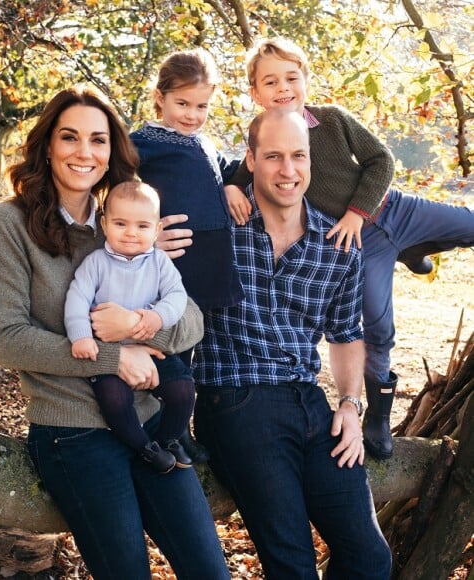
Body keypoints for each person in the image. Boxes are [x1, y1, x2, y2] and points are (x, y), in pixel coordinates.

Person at [0, 85, 230, 580]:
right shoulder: (7, 223)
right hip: (73, 429)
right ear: (47, 144)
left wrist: (140, 329)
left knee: (210, 571)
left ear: (112, 150)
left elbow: (193, 319)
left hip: (151, 421)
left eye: (98, 140)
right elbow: (7, 339)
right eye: (69, 137)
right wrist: (116, 359)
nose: (84, 152)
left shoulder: (127, 222)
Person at [224, 37, 474, 460]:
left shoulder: (333, 120)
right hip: (360, 244)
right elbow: (236, 170)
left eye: (291, 77)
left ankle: (414, 248)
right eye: (270, 82)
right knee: (376, 324)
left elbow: (382, 160)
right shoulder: (262, 141)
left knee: (468, 224)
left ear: (306, 79)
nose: (283, 88)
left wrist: (358, 210)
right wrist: (230, 185)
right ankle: (377, 413)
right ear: (255, 93)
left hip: (392, 210)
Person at [192, 108, 392, 578]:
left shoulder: (336, 243)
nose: (288, 170)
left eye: (298, 156)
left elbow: (346, 333)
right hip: (237, 400)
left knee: (370, 559)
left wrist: (349, 404)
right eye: (274, 156)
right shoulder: (217, 226)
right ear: (251, 159)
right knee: (292, 565)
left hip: (310, 403)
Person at [64, 180, 194, 473]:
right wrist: (81, 337)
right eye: (121, 223)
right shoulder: (96, 263)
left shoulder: (160, 262)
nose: (131, 233)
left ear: (157, 229)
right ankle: (144, 448)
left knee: (183, 389)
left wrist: (156, 317)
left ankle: (168, 439)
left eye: (142, 226)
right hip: (108, 353)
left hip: (149, 348)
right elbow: (77, 299)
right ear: (105, 223)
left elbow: (177, 297)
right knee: (114, 400)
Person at [130, 48, 244, 316]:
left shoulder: (204, 142)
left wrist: (233, 186)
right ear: (160, 97)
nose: (192, 115)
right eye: (182, 104)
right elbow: (111, 186)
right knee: (171, 343)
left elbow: (231, 171)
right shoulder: (144, 142)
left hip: (214, 263)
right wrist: (142, 235)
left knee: (203, 345)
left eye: (201, 106)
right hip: (179, 261)